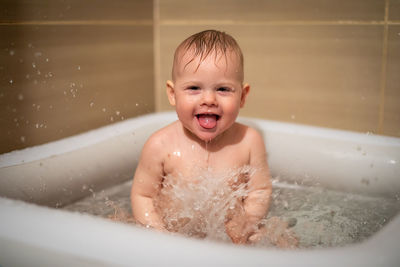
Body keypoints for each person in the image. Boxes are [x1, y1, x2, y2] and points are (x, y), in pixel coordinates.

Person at [131, 30, 296, 247]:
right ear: (173, 94)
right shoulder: (160, 145)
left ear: (242, 96)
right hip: (173, 235)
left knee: (282, 239)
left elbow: (260, 190)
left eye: (223, 89)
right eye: (193, 88)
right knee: (120, 225)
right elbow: (143, 197)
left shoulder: (248, 141)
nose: (209, 99)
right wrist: (160, 236)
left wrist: (247, 223)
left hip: (228, 238)